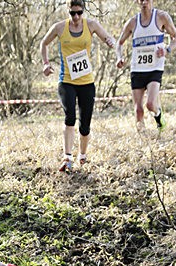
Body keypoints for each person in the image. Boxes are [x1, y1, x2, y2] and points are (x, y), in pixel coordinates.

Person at [40, 0, 116, 171]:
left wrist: (110, 42)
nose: (76, 17)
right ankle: (67, 157)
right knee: (70, 117)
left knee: (85, 125)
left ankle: (82, 154)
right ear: (68, 12)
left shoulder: (91, 25)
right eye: (72, 13)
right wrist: (45, 63)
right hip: (66, 80)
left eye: (79, 13)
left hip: (86, 82)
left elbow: (107, 37)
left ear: (83, 11)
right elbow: (43, 43)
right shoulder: (59, 27)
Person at [116, 0, 176, 130]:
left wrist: (167, 50)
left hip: (154, 68)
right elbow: (119, 43)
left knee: (150, 104)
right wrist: (119, 57)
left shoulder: (162, 17)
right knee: (138, 110)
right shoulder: (133, 22)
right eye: (141, 0)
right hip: (137, 69)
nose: (144, 2)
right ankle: (143, 142)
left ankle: (158, 115)